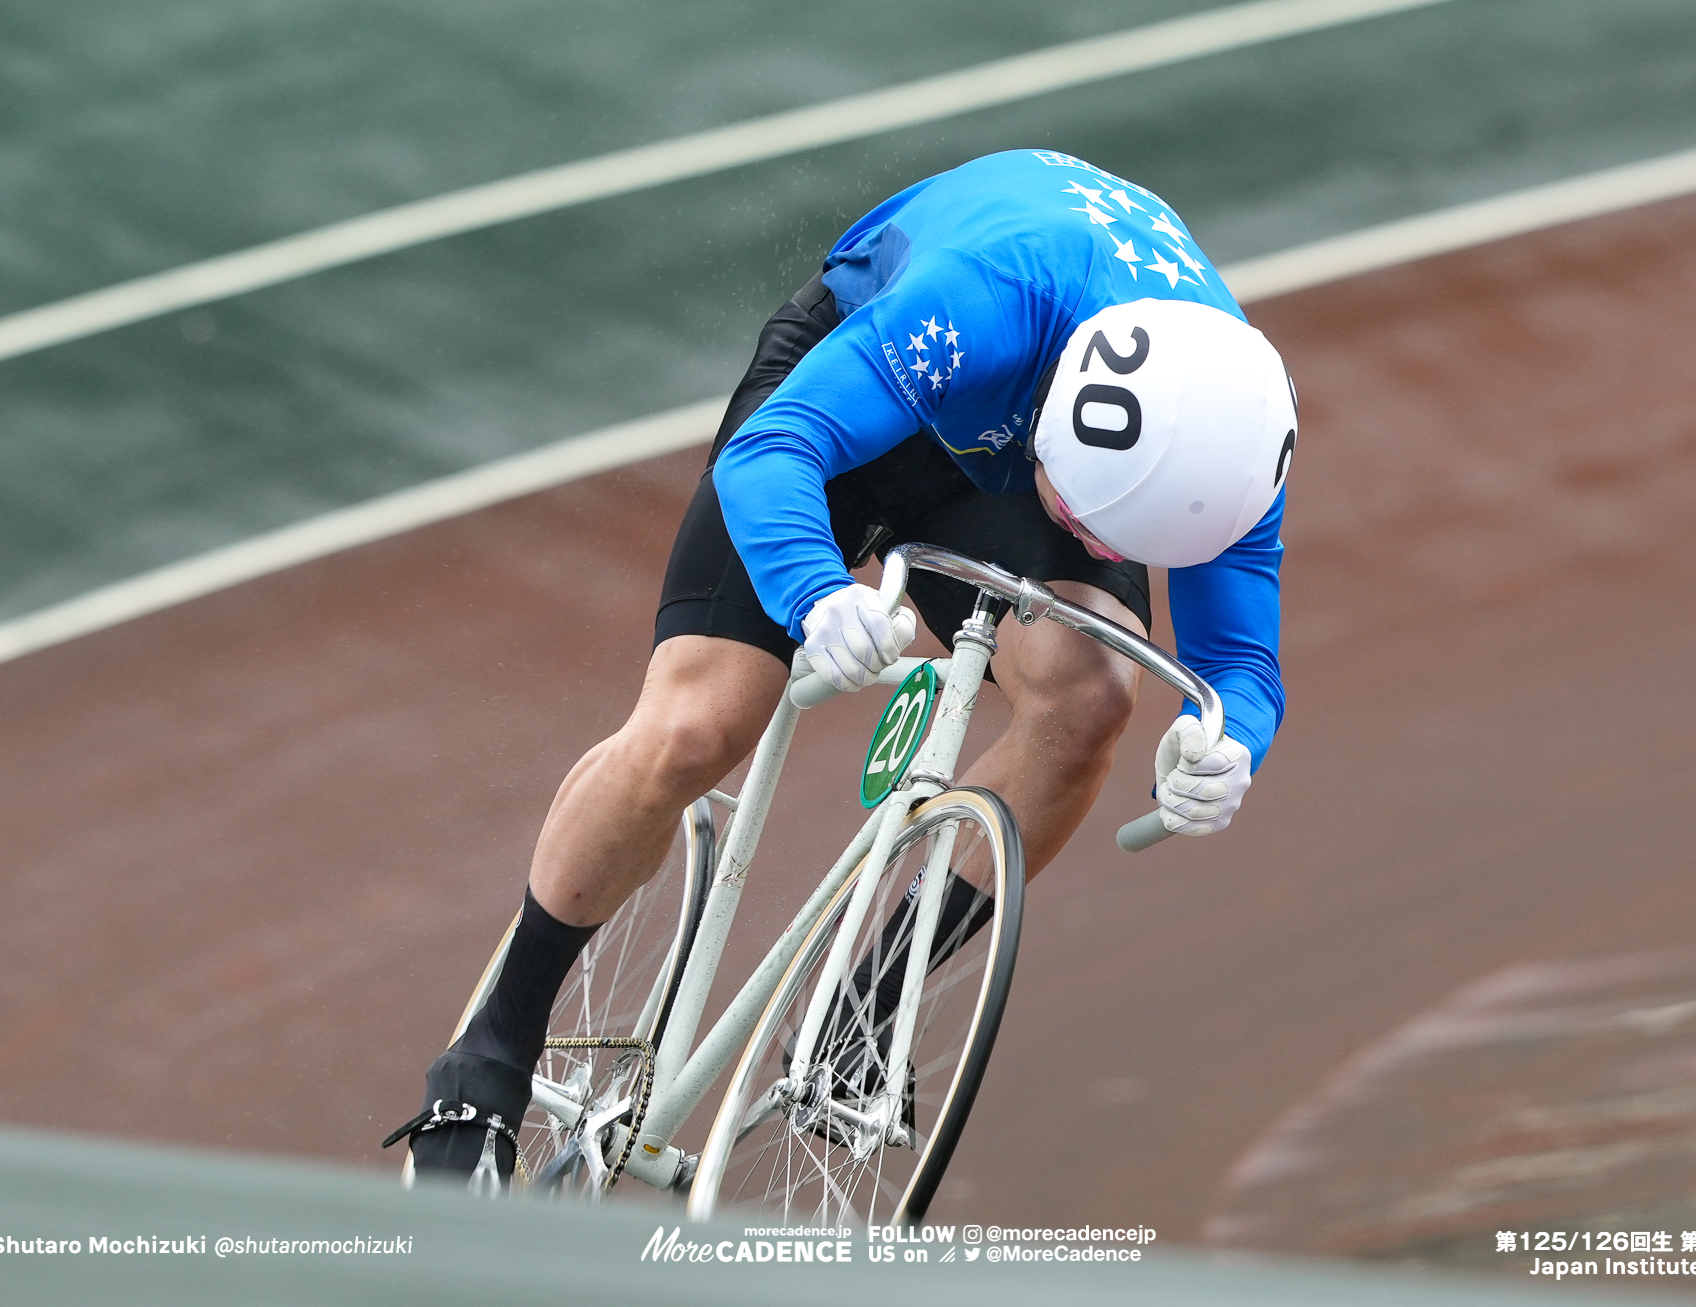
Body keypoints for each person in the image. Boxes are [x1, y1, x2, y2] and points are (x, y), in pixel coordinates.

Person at [385, 149, 1296, 1186]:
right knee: (700, 720)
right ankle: (492, 1045)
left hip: (1018, 433)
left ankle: (866, 1008)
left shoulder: (1230, 438)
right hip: (874, 376)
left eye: (1102, 531)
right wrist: (815, 590)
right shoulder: (980, 303)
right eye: (1075, 506)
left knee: (1090, 696)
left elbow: (1238, 662)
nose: (1077, 532)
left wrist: (1231, 743)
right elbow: (775, 450)